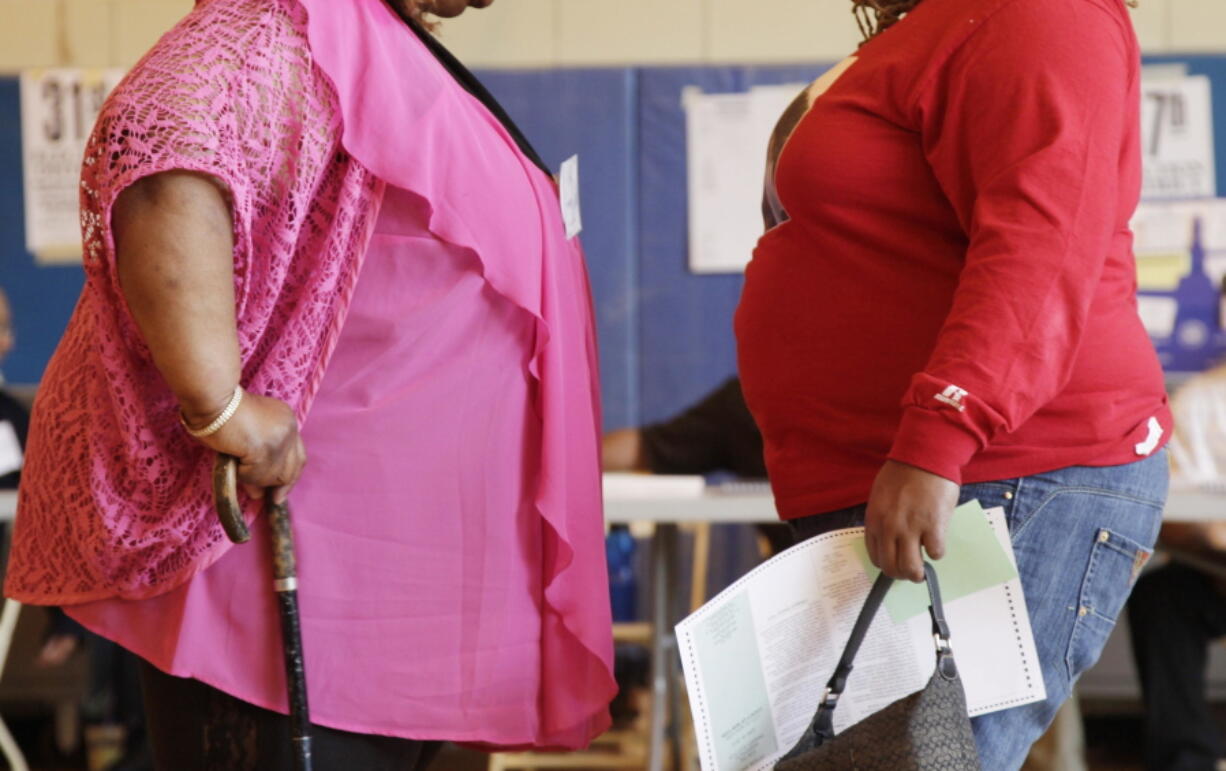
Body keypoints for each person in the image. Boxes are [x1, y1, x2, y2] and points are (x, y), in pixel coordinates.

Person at [3, 0, 616, 769]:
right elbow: (162, 146)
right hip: (301, 609)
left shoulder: (371, 39)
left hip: (398, 624)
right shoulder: (292, 18)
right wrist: (221, 404)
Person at [734, 0, 1170, 769]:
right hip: (921, 481)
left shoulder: (1039, 11)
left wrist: (941, 434)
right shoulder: (938, 24)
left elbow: (1042, 246)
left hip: (1003, 474)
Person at [1129, 365, 1226, 771]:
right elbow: (1172, 512)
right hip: (1214, 571)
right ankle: (1188, 759)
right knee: (1161, 598)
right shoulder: (1199, 401)